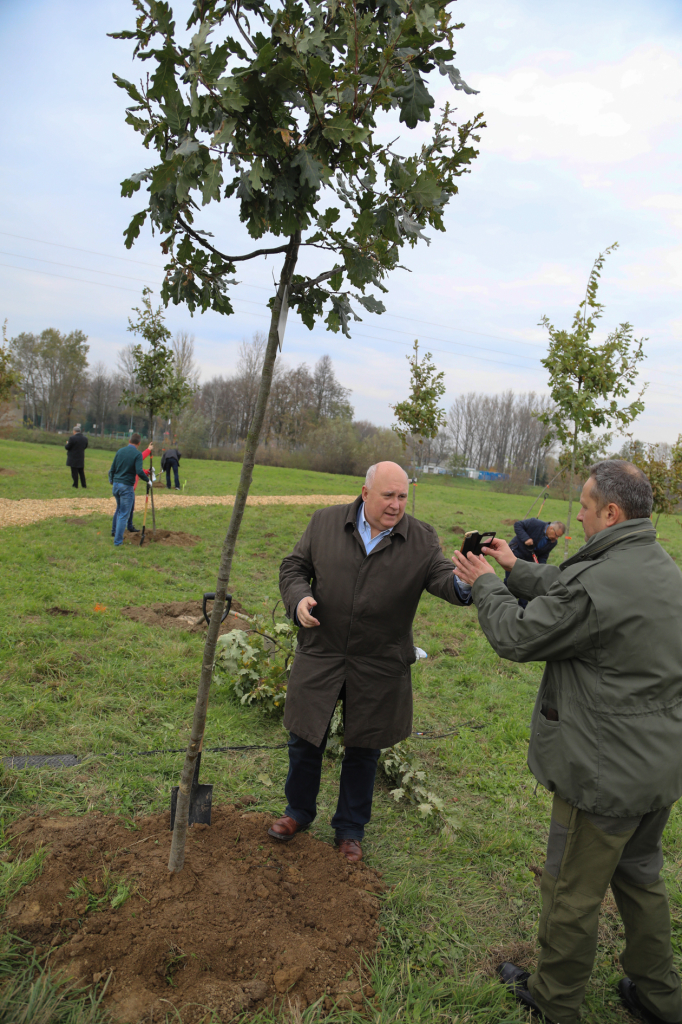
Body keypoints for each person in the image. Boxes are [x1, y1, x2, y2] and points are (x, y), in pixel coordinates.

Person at [453, 460, 682, 1024]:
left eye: (584, 506)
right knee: (641, 877)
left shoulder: (602, 580)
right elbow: (574, 589)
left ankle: (555, 1001)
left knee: (571, 895)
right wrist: (513, 568)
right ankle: (661, 997)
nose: (575, 516)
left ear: (611, 512)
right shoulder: (659, 567)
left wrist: (484, 583)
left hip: (602, 776)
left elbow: (519, 635)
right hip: (659, 768)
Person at [273, 461, 472, 863]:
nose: (396, 505)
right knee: (304, 738)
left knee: (364, 748)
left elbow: (442, 579)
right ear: (365, 493)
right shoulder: (325, 523)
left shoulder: (420, 539)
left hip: (378, 661)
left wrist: (463, 580)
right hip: (322, 651)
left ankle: (349, 829)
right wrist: (298, 599)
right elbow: (294, 566)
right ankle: (298, 812)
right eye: (388, 496)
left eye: (402, 496)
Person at [505, 517, 565, 608]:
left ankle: (522, 609)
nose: (556, 538)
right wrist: (526, 538)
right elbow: (518, 525)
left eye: (558, 537)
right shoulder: (535, 523)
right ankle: (505, 604)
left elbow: (544, 555)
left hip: (529, 560)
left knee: (526, 584)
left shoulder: (553, 542)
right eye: (556, 535)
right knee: (511, 580)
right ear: (551, 529)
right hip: (516, 553)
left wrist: (540, 568)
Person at [108, 433, 151, 547]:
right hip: (126, 487)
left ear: (129, 440)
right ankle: (118, 542)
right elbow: (139, 471)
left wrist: (111, 480)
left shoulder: (120, 451)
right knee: (124, 515)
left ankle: (114, 531)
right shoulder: (137, 454)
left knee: (119, 509)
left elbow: (112, 468)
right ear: (139, 443)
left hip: (116, 485)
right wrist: (148, 480)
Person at [65, 424, 88, 488]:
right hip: (80, 457)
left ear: (74, 431)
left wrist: (67, 443)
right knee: (81, 472)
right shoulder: (85, 438)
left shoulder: (72, 438)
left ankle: (75, 485)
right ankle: (84, 485)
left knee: (74, 472)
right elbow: (85, 446)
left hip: (73, 457)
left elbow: (67, 447)